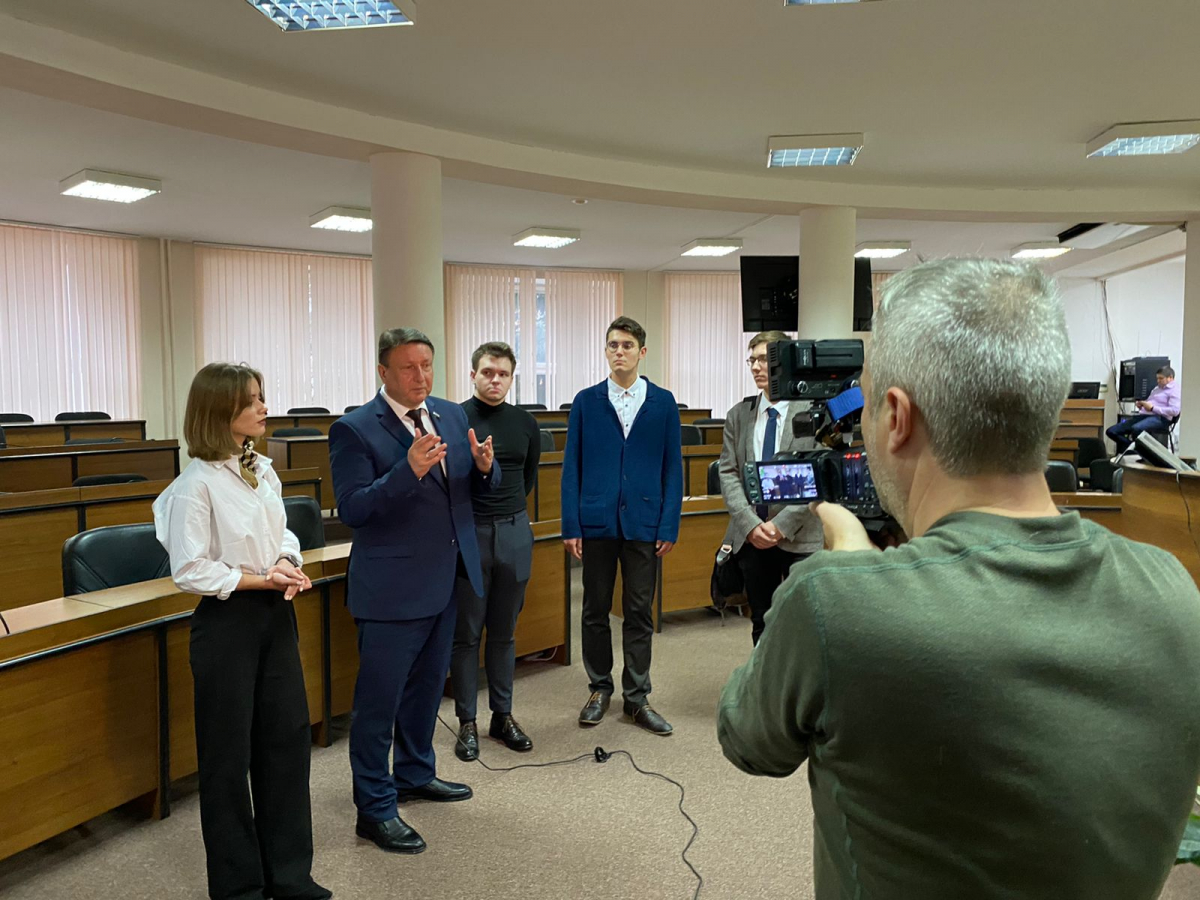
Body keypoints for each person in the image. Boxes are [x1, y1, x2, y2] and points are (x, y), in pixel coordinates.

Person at [717, 259, 1200, 899]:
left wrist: (850, 571)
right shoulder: (1172, 589)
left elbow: (747, 739)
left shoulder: (835, 600)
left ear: (896, 417)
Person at [153, 362, 330, 900]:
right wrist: (259, 578)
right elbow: (190, 570)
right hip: (227, 623)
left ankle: (290, 876)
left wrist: (286, 561)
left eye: (261, 396)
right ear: (219, 410)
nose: (263, 407)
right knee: (227, 760)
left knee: (286, 744)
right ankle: (238, 888)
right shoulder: (195, 485)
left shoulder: (260, 468)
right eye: (251, 400)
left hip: (275, 616)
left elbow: (283, 532)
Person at [329, 328, 497, 855]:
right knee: (378, 704)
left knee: (426, 691)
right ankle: (374, 808)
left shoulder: (450, 414)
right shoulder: (354, 429)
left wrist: (486, 471)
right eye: (408, 367)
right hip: (390, 589)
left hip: (446, 579)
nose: (421, 376)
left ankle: (415, 773)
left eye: (427, 365)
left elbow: (461, 491)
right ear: (383, 372)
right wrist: (407, 471)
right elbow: (353, 509)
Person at [561, 315, 682, 735]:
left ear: (641, 352)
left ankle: (637, 697)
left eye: (627, 345)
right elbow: (571, 467)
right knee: (594, 609)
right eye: (613, 345)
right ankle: (599, 688)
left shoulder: (663, 402)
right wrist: (570, 524)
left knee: (638, 611)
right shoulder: (586, 401)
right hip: (596, 522)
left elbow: (672, 468)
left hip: (645, 522)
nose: (619, 352)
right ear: (606, 350)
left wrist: (668, 525)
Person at [450, 341, 541, 761]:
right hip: (469, 532)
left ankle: (502, 716)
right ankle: (466, 721)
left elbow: (528, 478)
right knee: (467, 633)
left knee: (504, 631)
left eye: (503, 374)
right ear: (473, 375)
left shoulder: (525, 423)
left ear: (511, 378)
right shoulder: (455, 419)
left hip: (514, 531)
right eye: (487, 372)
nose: (495, 380)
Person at [717, 330, 823, 645]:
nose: (756, 367)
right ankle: (763, 677)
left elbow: (817, 475)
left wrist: (780, 526)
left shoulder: (812, 413)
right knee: (761, 620)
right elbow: (728, 471)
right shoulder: (739, 415)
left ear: (785, 361)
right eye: (752, 360)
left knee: (802, 624)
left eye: (764, 359)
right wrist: (750, 524)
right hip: (753, 537)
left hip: (800, 537)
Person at [1106, 365, 1181, 453]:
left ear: (1170, 378)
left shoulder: (1175, 390)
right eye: (1157, 378)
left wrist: (1153, 408)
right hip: (1145, 415)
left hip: (1161, 418)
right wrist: (1142, 404)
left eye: (1161, 378)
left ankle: (1141, 452)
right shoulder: (1157, 389)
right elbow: (1151, 402)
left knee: (1137, 428)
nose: (1158, 381)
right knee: (1112, 431)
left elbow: (1175, 411)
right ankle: (1133, 449)